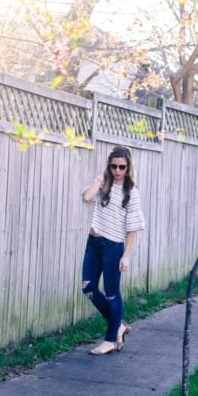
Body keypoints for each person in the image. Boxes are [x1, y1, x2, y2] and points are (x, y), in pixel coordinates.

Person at [81, 146, 145, 355]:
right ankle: (118, 326)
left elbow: (133, 227)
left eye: (122, 167)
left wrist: (126, 256)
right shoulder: (103, 185)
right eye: (114, 166)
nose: (118, 170)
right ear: (109, 166)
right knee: (88, 287)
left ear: (128, 168)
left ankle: (110, 340)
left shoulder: (131, 193)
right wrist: (100, 179)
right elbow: (87, 197)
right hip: (94, 242)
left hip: (113, 246)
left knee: (111, 293)